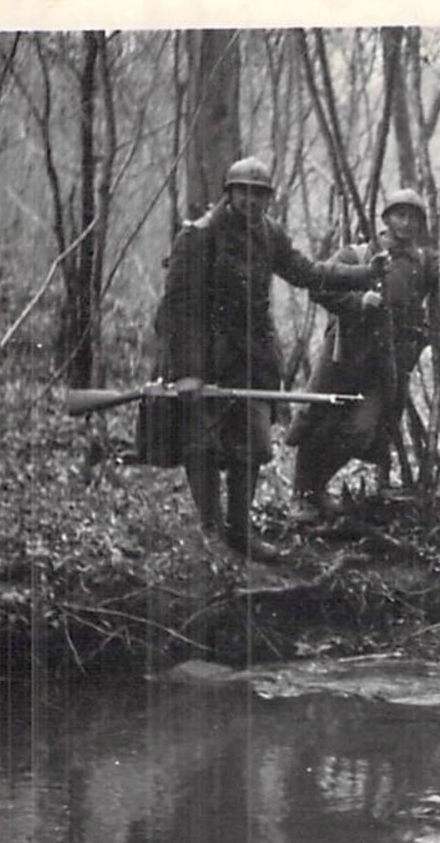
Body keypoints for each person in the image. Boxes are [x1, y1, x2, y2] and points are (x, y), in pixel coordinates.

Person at [153, 156, 381, 560]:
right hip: (204, 357)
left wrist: (363, 275)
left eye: (260, 195)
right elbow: (175, 310)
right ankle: (210, 532)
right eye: (244, 192)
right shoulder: (200, 236)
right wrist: (187, 372)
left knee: (252, 446)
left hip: (253, 358)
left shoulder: (268, 234)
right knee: (202, 445)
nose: (252, 201)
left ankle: (240, 533)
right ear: (230, 193)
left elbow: (308, 272)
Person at [285, 189, 440, 522]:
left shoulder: (422, 261)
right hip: (344, 356)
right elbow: (319, 287)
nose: (407, 223)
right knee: (319, 420)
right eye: (400, 215)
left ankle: (317, 486)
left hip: (386, 363)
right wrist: (357, 303)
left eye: (414, 217)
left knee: (361, 430)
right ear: (385, 218)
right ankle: (303, 495)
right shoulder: (357, 254)